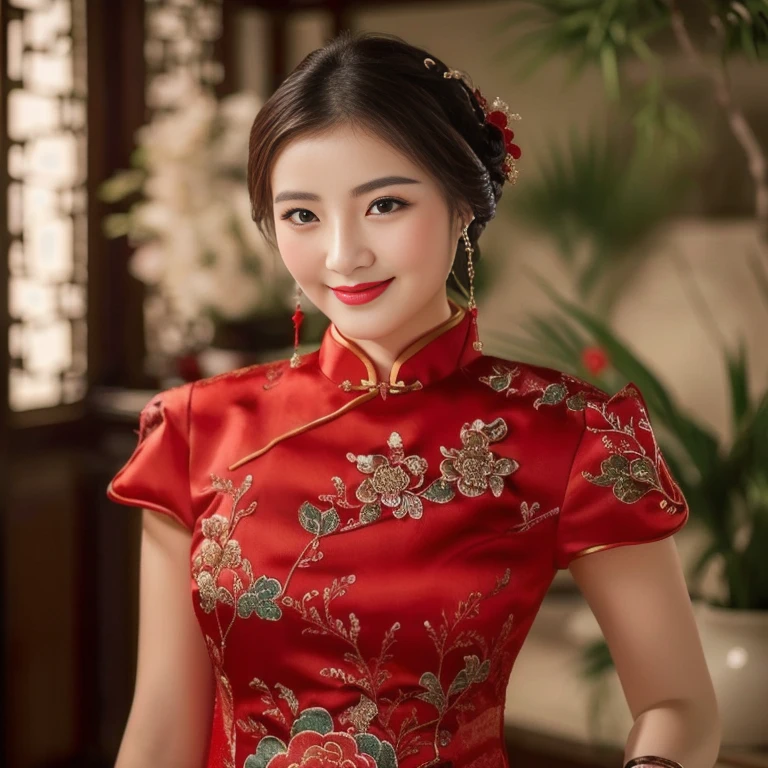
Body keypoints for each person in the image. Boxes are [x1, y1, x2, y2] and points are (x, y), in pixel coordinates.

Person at [107, 30, 720, 768]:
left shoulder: (574, 431)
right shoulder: (195, 428)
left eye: (385, 204)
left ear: (465, 204)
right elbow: (160, 733)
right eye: (302, 215)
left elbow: (676, 704)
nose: (343, 255)